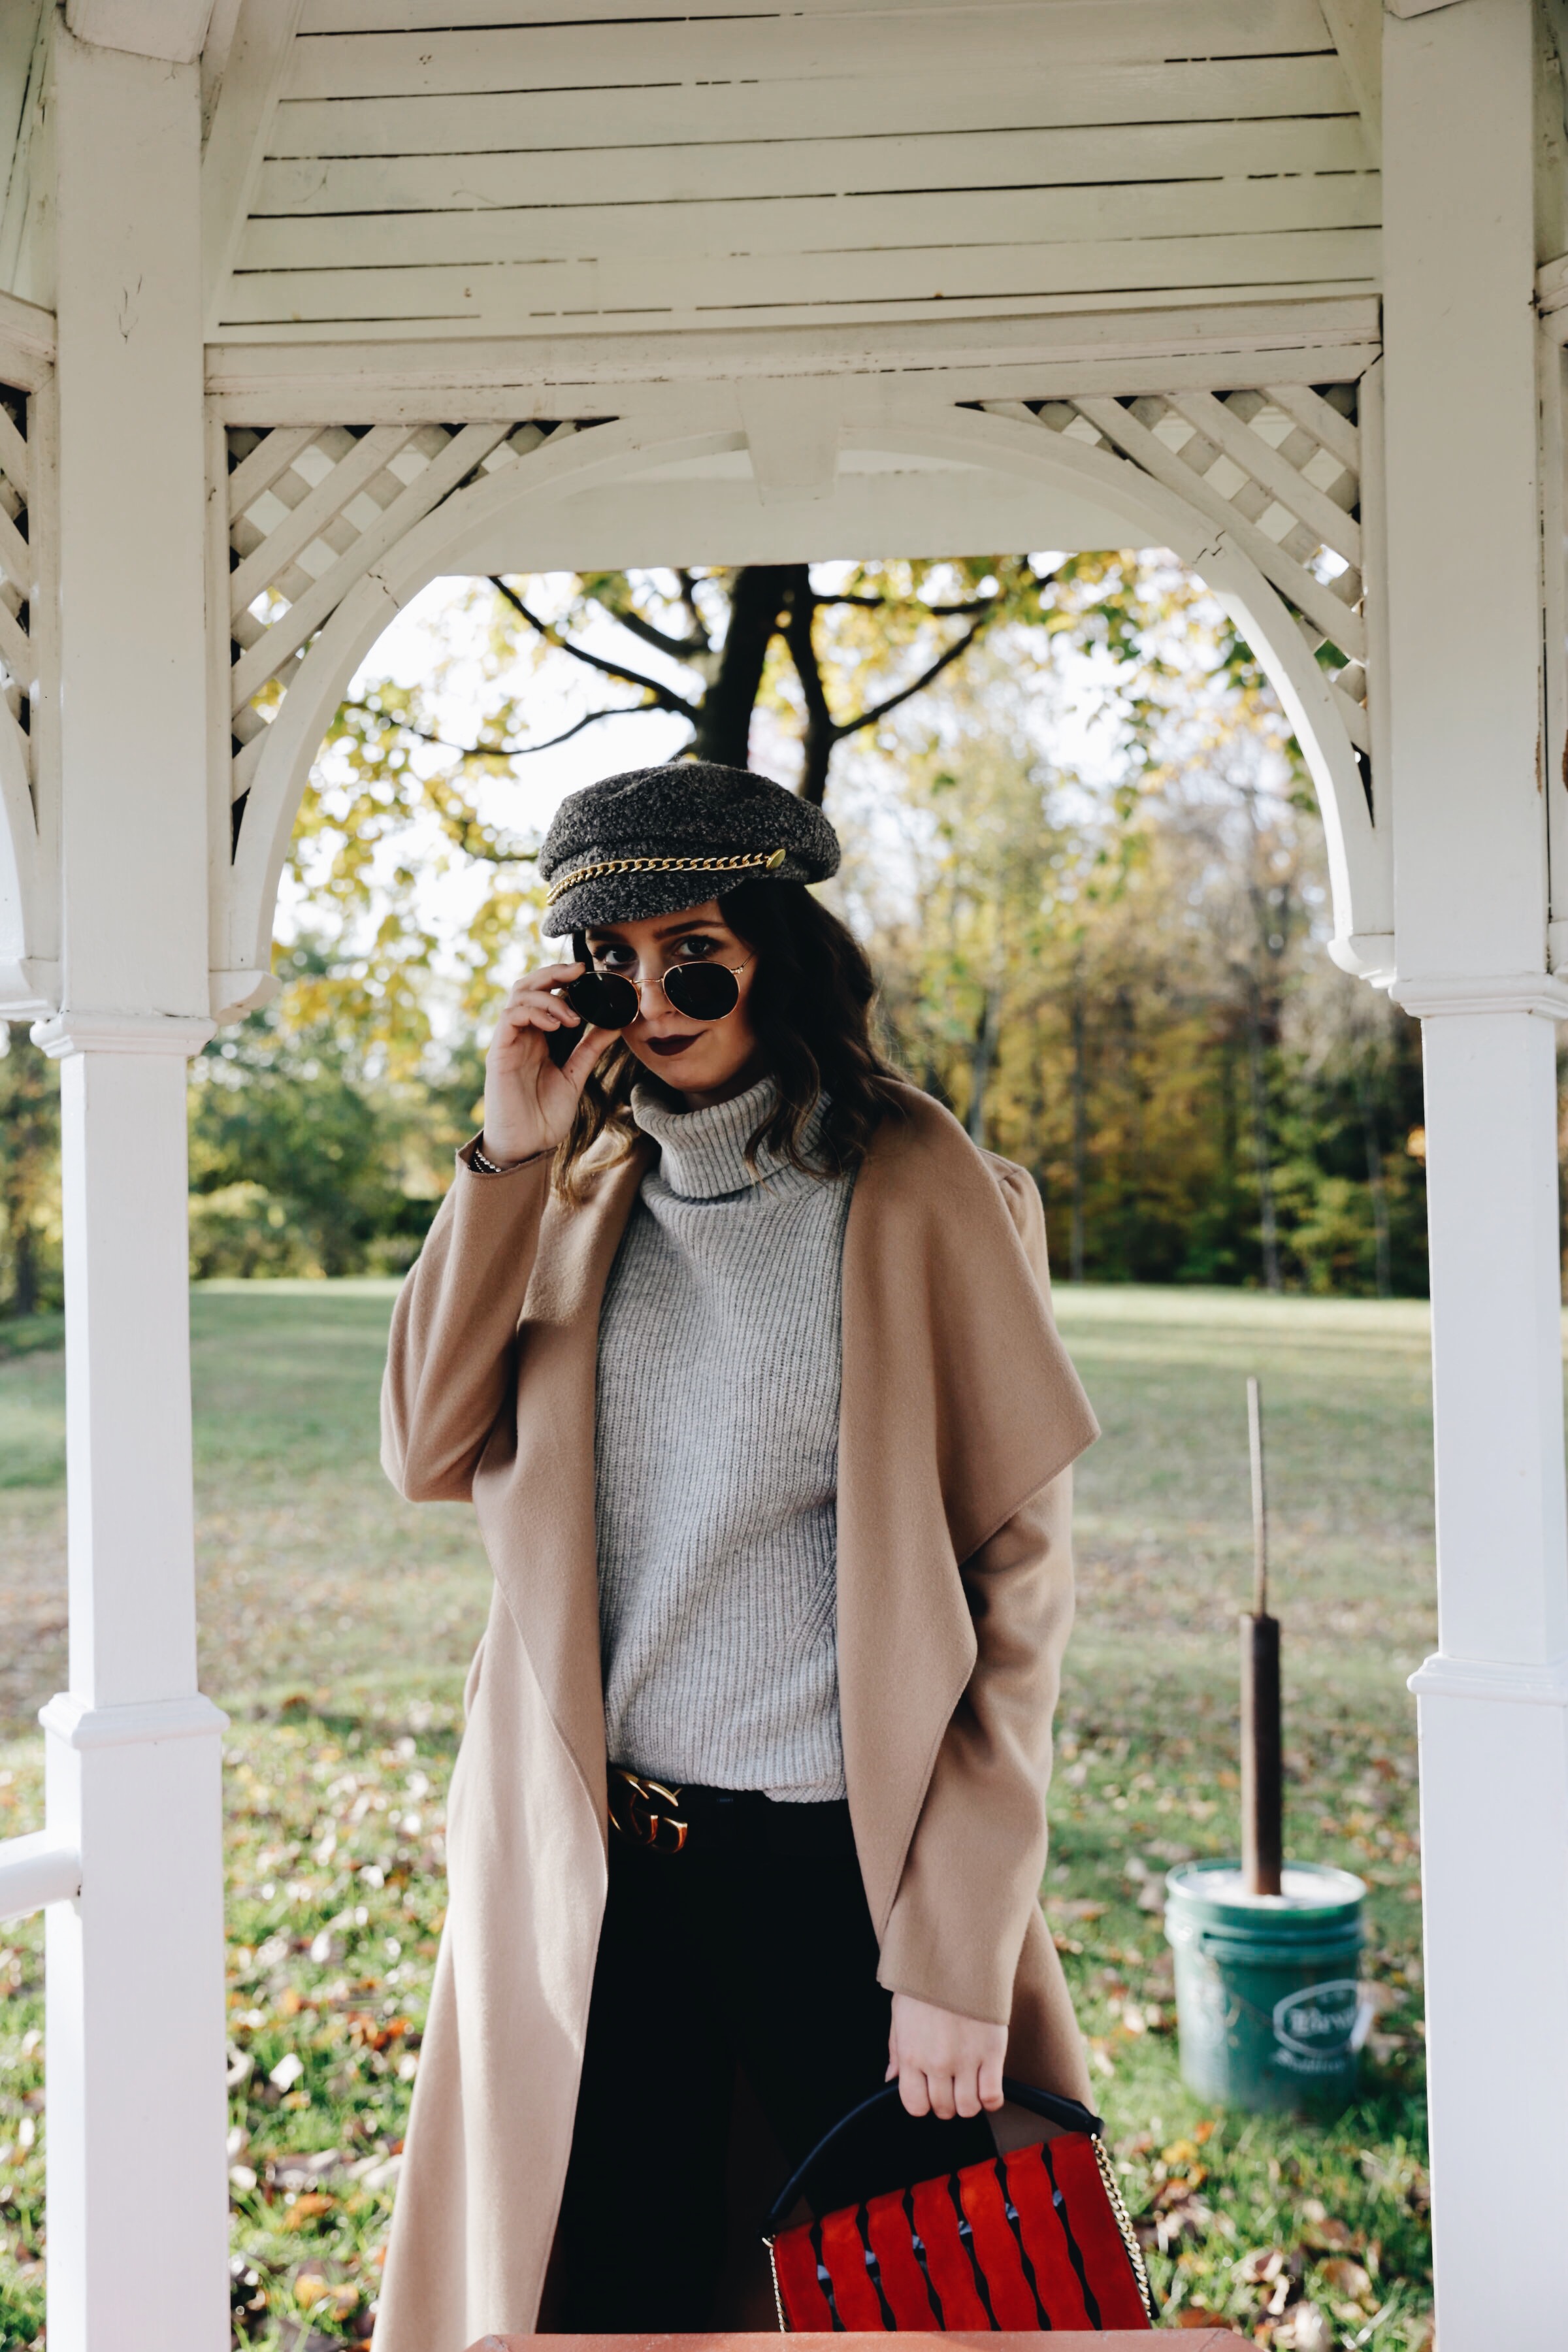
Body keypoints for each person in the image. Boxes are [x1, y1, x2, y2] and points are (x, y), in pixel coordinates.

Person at [374, 761, 1100, 2352]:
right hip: (602, 1867)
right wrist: (507, 1145)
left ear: (779, 945)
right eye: (613, 965)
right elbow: (426, 1444)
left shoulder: (924, 1186)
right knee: (612, 2295)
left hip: (839, 1868)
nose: (658, 996)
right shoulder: (565, 1189)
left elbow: (1018, 1595)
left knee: (914, 2301)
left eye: (695, 951)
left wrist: (957, 1945)